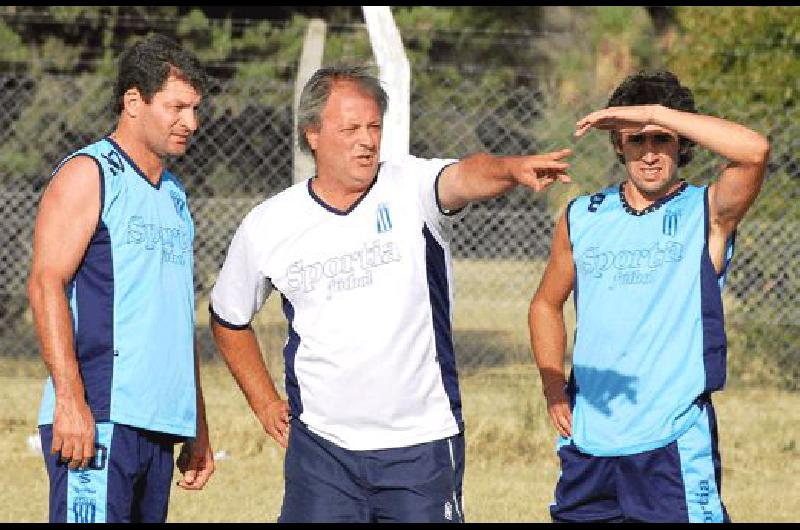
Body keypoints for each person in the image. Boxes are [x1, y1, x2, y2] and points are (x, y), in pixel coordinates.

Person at [209, 65, 572, 523]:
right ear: (313, 134)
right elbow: (228, 317)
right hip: (323, 451)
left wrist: (511, 169)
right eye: (350, 128)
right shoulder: (269, 224)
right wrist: (264, 401)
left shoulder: (410, 188)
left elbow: (466, 176)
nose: (366, 140)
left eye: (374, 126)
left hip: (420, 447)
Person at [528, 70, 770, 523]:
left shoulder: (708, 212)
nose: (650, 153)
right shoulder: (583, 216)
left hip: (672, 443)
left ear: (681, 141)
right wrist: (552, 388)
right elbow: (545, 304)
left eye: (663, 138)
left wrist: (656, 113)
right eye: (636, 140)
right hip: (590, 443)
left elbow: (754, 151)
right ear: (619, 145)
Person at [28, 33, 215, 523]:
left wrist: (196, 424)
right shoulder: (90, 173)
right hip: (99, 418)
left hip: (159, 427)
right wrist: (70, 400)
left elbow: (177, 319)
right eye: (176, 107)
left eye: (195, 109)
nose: (190, 123)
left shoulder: (175, 196)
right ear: (134, 100)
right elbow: (44, 283)